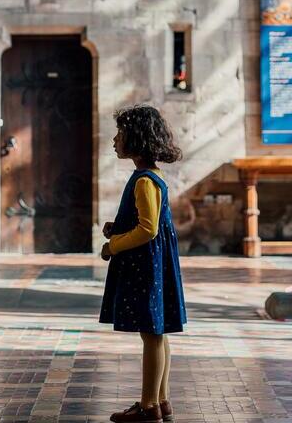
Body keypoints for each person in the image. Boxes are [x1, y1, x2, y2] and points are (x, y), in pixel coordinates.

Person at [100, 104, 187, 422]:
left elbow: (148, 229)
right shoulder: (151, 177)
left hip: (145, 267)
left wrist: (113, 245)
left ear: (135, 139)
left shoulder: (144, 181)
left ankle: (149, 406)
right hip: (153, 265)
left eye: (120, 133)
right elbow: (145, 220)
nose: (115, 140)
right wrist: (118, 225)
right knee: (156, 334)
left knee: (151, 334)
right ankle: (161, 400)